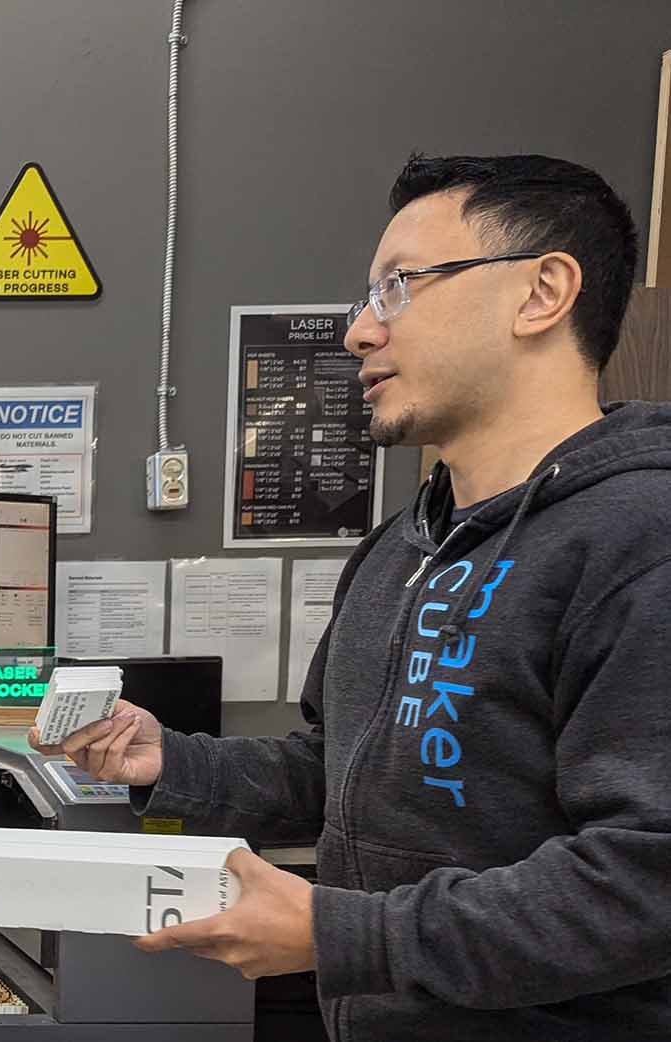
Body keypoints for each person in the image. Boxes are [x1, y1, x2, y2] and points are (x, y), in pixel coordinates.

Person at [33, 153, 670, 1040]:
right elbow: (333, 771)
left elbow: (645, 880)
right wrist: (168, 764)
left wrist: (346, 934)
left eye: (398, 288)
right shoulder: (401, 545)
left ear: (541, 292)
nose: (359, 332)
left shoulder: (642, 537)